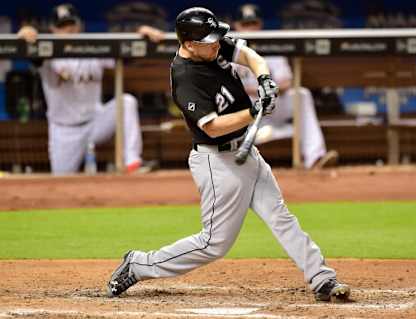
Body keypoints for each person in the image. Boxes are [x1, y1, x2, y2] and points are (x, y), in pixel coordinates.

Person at [106, 7, 350, 303]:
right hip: (217, 162)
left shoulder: (212, 46)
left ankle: (321, 277)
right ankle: (140, 263)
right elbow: (213, 128)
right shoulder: (185, 77)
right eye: (209, 41)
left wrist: (264, 80)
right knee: (213, 244)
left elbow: (249, 55)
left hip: (246, 153)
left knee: (280, 216)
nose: (217, 44)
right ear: (188, 44)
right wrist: (253, 112)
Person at [17, 4, 164, 175]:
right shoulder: (48, 54)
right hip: (64, 130)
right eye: (62, 26)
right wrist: (25, 33)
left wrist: (141, 34)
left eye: (71, 24)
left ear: (79, 26)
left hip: (96, 122)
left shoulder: (93, 48)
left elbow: (127, 54)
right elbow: (32, 53)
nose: (68, 30)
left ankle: (132, 162)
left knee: (126, 102)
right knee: (60, 182)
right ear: (53, 29)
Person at [233, 4, 338, 169]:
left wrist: (271, 90)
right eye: (245, 24)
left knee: (301, 95)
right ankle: (270, 134)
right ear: (236, 26)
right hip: (245, 112)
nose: (250, 29)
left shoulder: (272, 46)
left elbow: (287, 82)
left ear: (260, 24)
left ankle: (315, 158)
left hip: (272, 103)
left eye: (253, 23)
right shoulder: (226, 50)